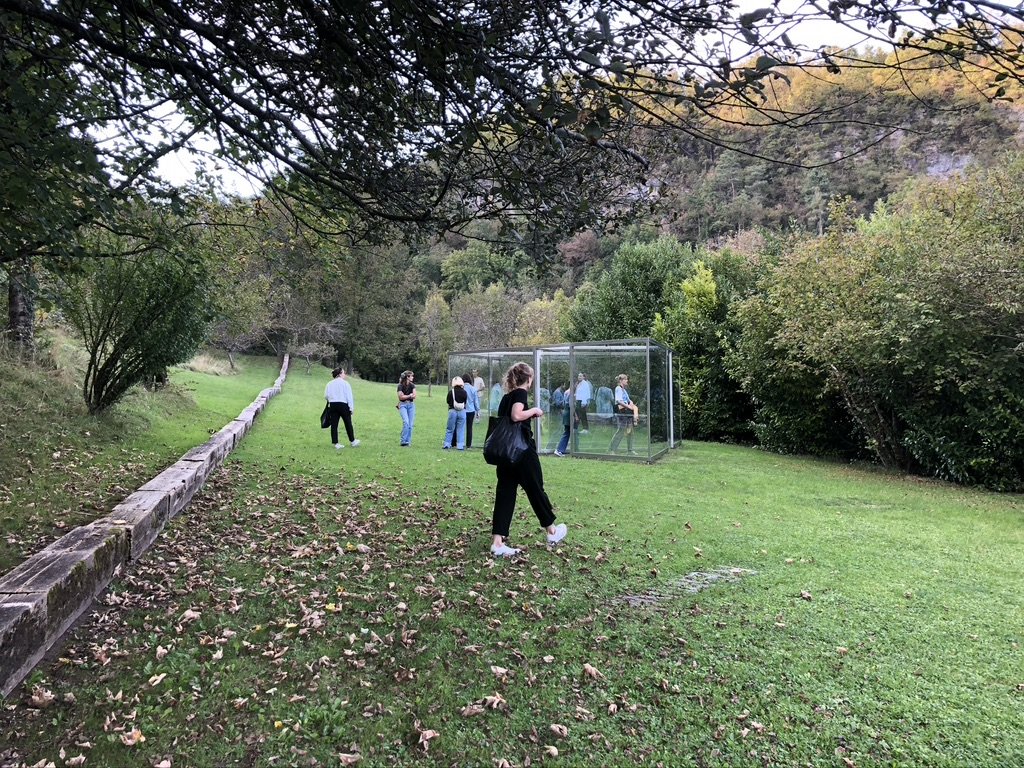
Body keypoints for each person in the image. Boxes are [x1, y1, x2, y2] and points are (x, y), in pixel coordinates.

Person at [489, 362, 568, 557]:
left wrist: (526, 415)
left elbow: (509, 419)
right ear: (529, 379)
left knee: (505, 493)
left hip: (506, 454)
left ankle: (498, 542)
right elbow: (516, 416)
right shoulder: (521, 393)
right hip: (522, 451)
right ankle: (552, 531)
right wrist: (534, 411)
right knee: (535, 488)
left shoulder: (506, 397)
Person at [325, 367, 360, 449]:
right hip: (343, 404)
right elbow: (349, 397)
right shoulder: (345, 384)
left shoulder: (329, 384)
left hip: (333, 405)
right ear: (340, 374)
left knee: (334, 424)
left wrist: (331, 400)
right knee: (348, 423)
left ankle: (336, 443)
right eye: (343, 373)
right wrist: (351, 408)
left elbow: (326, 396)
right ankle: (352, 441)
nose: (344, 374)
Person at [609, 373, 640, 455]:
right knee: (621, 430)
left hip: (627, 412)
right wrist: (629, 407)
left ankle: (630, 450)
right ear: (621, 380)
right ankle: (612, 449)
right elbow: (619, 401)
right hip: (622, 412)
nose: (627, 381)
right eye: (625, 379)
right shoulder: (618, 388)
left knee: (630, 431)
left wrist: (631, 404)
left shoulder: (624, 390)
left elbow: (629, 400)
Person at [443, 376, 468, 450]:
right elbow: (465, 401)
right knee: (460, 429)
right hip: (462, 411)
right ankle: (460, 446)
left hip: (452, 411)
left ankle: (447, 444)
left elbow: (447, 401)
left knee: (450, 429)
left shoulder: (451, 392)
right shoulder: (464, 392)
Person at [554, 383, 578, 457]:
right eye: (576, 384)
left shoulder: (566, 392)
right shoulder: (571, 393)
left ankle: (565, 449)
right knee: (567, 432)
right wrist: (576, 415)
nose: (577, 386)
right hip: (569, 414)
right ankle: (559, 450)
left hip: (566, 412)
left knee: (568, 431)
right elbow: (571, 405)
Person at [397, 370, 416, 446]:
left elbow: (414, 395)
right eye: (411, 376)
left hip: (411, 405)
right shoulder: (400, 386)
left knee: (410, 425)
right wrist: (409, 396)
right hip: (403, 405)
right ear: (407, 377)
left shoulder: (412, 385)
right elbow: (401, 397)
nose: (412, 377)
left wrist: (408, 396)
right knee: (406, 422)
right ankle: (403, 440)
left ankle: (408, 441)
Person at [462, 371, 481, 448]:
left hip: (462, 410)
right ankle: (468, 445)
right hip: (471, 411)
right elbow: (476, 402)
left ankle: (459, 442)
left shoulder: (461, 388)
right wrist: (478, 411)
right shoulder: (473, 389)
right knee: (469, 428)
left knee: (461, 427)